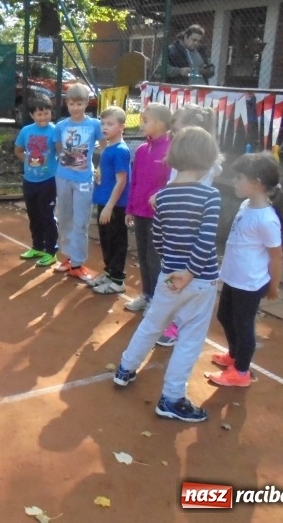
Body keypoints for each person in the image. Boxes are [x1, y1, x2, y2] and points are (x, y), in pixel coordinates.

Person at [113, 126, 221, 423]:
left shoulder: (163, 197)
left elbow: (158, 237)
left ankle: (125, 368)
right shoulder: (210, 196)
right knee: (189, 338)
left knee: (152, 323)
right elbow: (205, 238)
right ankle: (172, 398)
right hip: (199, 279)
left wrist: (175, 268)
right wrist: (189, 272)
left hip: (169, 275)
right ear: (206, 161)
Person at [206, 153, 283, 387]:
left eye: (239, 177)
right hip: (234, 276)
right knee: (224, 316)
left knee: (243, 324)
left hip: (250, 283)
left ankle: (241, 372)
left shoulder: (267, 219)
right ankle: (234, 355)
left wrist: (273, 285)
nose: (234, 181)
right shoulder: (245, 205)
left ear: (257, 183)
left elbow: (276, 256)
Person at [155, 103, 222, 346]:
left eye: (179, 129)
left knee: (189, 273)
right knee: (176, 271)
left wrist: (167, 198)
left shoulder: (203, 166)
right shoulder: (181, 158)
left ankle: (179, 322)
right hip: (178, 222)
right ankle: (172, 316)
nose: (174, 134)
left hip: (191, 224)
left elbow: (193, 194)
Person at [52, 83, 104, 281]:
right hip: (63, 177)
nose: (76, 107)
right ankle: (68, 257)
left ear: (86, 103)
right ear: (67, 103)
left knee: (80, 221)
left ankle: (78, 262)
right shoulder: (61, 126)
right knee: (64, 217)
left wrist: (99, 167)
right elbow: (59, 149)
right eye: (72, 103)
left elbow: (104, 146)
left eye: (80, 103)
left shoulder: (94, 125)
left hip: (84, 179)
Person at [124, 103, 173, 311]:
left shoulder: (171, 151)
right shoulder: (142, 150)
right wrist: (129, 208)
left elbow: (171, 183)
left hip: (158, 216)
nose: (141, 124)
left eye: (146, 121)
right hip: (140, 213)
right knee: (142, 255)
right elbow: (133, 181)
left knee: (154, 258)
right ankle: (147, 294)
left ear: (161, 124)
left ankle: (157, 300)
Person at [88, 106, 130, 294]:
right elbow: (109, 172)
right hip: (103, 200)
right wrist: (99, 173)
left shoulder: (120, 150)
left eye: (110, 124)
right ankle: (109, 272)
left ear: (122, 127)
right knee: (105, 239)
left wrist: (110, 206)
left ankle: (118, 279)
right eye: (103, 123)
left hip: (115, 205)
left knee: (116, 240)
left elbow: (122, 180)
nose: (105, 127)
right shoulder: (107, 147)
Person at [14, 95, 59, 267]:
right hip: (29, 180)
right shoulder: (26, 131)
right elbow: (18, 150)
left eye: (46, 113)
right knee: (33, 215)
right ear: (32, 115)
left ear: (51, 113)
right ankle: (37, 246)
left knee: (47, 214)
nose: (43, 117)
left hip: (49, 180)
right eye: (39, 115)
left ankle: (51, 251)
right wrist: (27, 159)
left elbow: (61, 152)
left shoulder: (54, 131)